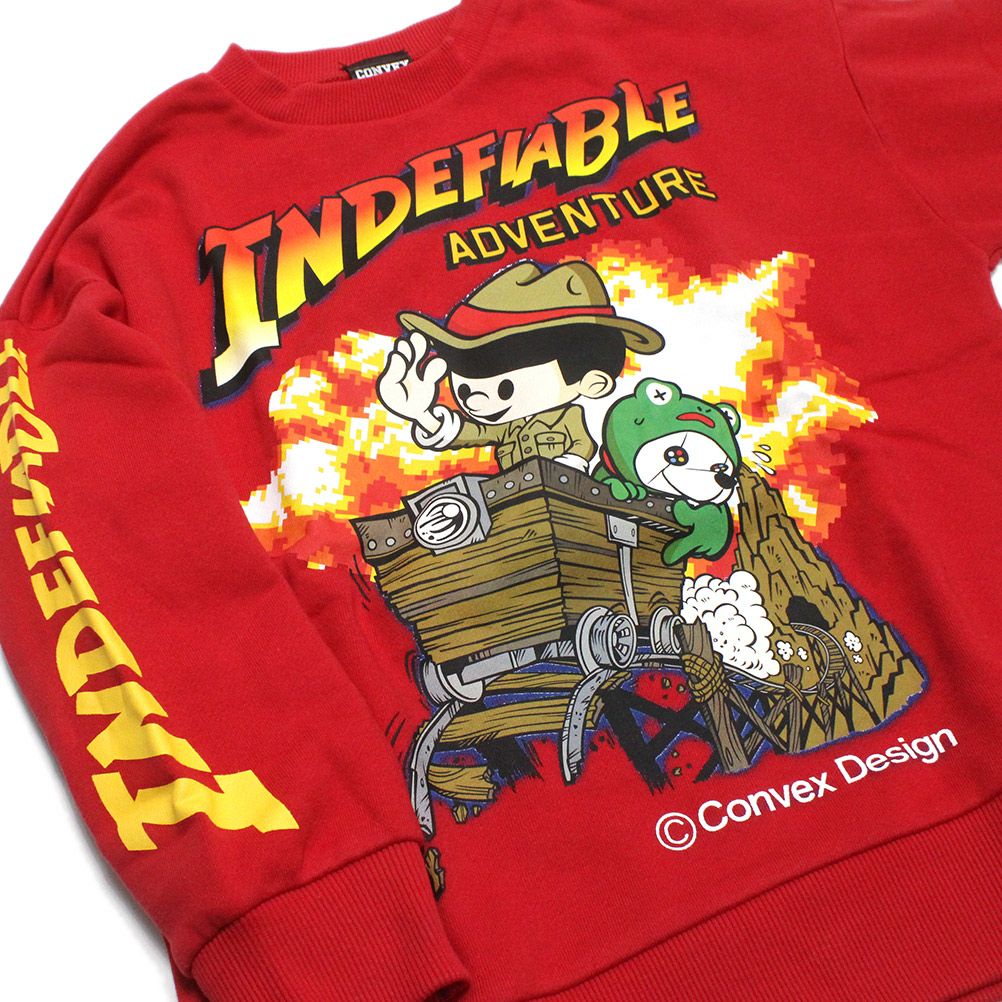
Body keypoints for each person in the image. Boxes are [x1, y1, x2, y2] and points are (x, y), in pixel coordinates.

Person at [377, 259, 664, 471]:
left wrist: (571, 466)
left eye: (505, 388)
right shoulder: (507, 426)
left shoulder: (569, 416)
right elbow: (472, 433)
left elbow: (583, 444)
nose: (474, 402)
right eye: (464, 389)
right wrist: (422, 415)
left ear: (592, 383)